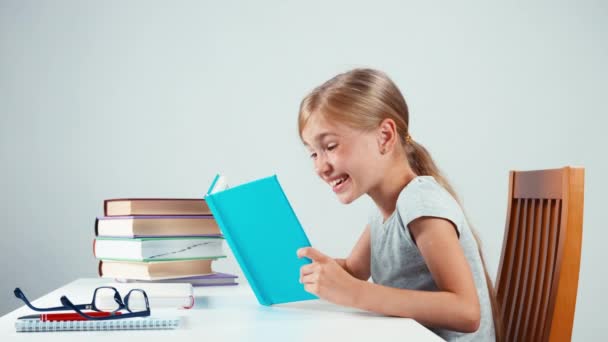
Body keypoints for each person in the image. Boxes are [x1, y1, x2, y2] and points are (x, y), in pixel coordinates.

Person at [296, 68, 501, 341]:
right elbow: (353, 272)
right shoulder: (385, 208)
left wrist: (356, 293)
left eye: (330, 146)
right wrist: (322, 273)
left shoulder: (420, 201)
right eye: (312, 153)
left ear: (384, 136)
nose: (320, 167)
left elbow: (466, 312)